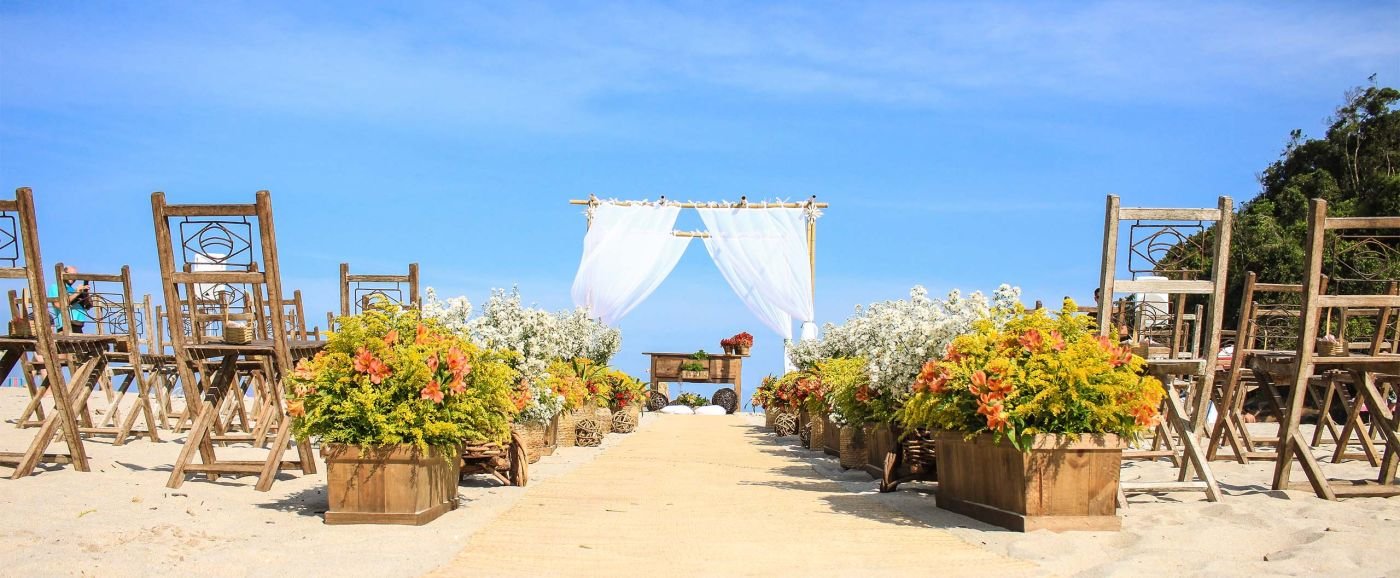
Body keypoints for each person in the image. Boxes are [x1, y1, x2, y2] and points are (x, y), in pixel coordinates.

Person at [48, 265, 93, 333]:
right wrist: (77, 293)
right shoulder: (55, 287)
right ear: (64, 274)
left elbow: (88, 306)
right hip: (66, 324)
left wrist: (86, 294)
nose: (73, 278)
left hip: (78, 324)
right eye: (70, 275)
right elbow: (58, 305)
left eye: (75, 276)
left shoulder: (72, 290)